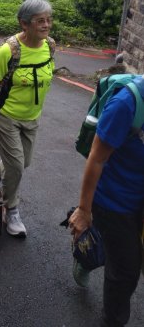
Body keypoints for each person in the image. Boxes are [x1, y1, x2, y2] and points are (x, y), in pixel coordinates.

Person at [68, 84, 144, 326]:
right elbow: (97, 158)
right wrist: (83, 210)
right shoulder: (126, 104)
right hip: (114, 202)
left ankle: (95, 250)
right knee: (125, 272)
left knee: (127, 257)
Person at [0, 0, 55, 238]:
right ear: (24, 24)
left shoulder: (49, 46)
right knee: (17, 168)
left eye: (48, 20)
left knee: (23, 162)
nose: (46, 25)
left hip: (32, 118)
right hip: (7, 116)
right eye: (39, 21)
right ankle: (10, 210)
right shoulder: (8, 51)